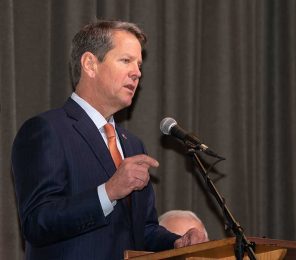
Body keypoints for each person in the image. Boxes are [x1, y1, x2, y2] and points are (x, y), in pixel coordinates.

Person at [11, 20, 204, 260]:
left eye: (139, 64)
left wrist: (177, 242)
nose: (137, 72)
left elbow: (143, 230)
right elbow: (37, 223)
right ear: (90, 64)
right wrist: (109, 192)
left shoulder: (132, 145)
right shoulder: (46, 131)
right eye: (126, 61)